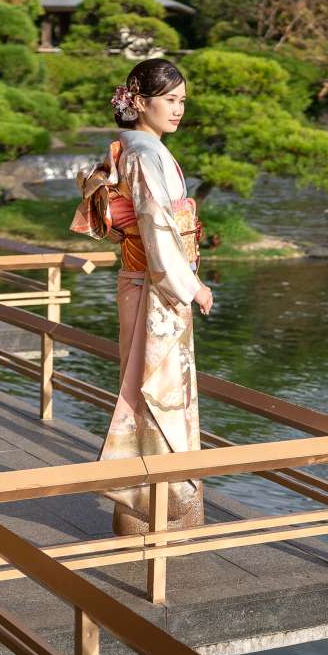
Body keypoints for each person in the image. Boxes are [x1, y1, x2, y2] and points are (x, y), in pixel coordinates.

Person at [70, 57, 214, 536]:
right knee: (157, 391)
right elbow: (156, 224)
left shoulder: (134, 148)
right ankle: (155, 503)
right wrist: (189, 285)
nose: (178, 110)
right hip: (156, 287)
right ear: (139, 103)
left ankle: (149, 502)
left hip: (142, 282)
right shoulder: (145, 153)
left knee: (146, 386)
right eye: (170, 100)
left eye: (182, 101)